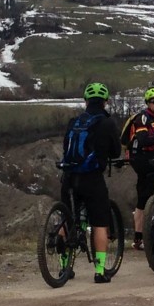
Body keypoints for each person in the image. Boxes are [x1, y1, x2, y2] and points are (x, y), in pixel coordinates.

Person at [60, 82, 121, 283]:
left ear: (85, 101)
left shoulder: (74, 122)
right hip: (92, 179)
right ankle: (100, 271)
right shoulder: (108, 123)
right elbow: (116, 152)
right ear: (106, 102)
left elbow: (66, 148)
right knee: (100, 223)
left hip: (69, 177)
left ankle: (64, 267)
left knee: (67, 219)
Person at [126, 87, 154, 251]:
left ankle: (150, 236)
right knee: (145, 198)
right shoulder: (143, 118)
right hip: (143, 159)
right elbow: (143, 140)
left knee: (152, 197)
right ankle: (140, 237)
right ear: (148, 103)